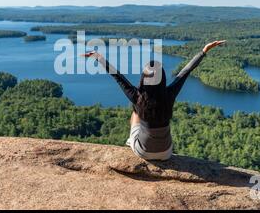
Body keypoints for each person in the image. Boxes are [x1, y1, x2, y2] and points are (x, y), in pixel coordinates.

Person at [83, 40, 226, 161]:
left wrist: (99, 58)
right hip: (167, 153)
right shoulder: (169, 94)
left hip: (143, 152)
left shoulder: (137, 97)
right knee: (140, 112)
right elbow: (186, 71)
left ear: (144, 79)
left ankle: (131, 141)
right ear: (162, 78)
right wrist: (204, 50)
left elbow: (117, 76)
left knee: (135, 112)